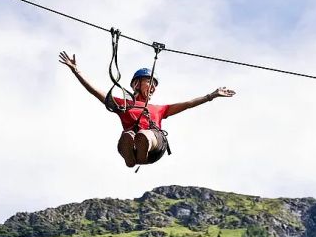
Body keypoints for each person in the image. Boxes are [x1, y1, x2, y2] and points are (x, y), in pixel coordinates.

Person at [59, 51, 236, 167]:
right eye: (149, 82)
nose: (152, 87)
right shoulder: (123, 104)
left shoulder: (159, 109)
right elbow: (96, 92)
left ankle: (141, 152)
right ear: (136, 84)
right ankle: (131, 156)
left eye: (154, 85)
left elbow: (188, 104)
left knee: (143, 135)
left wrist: (212, 95)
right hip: (134, 145)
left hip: (154, 145)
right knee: (128, 135)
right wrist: (77, 71)